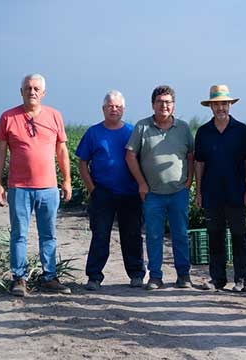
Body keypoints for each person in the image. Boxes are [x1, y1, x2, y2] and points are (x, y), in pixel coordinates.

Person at [0, 73, 72, 296]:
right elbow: (0, 151)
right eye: (28, 88)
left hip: (48, 187)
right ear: (21, 92)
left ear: (43, 93)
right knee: (19, 234)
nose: (32, 91)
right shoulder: (8, 117)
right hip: (19, 187)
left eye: (37, 88)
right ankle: (19, 279)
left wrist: (66, 180)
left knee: (49, 234)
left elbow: (62, 150)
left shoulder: (54, 116)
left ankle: (49, 277)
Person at [125, 85, 194, 290]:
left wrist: (189, 181)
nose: (164, 106)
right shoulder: (142, 127)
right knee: (154, 235)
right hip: (152, 193)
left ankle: (184, 275)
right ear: (153, 104)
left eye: (168, 102)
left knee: (180, 234)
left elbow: (191, 155)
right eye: (160, 102)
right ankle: (155, 276)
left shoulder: (183, 128)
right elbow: (130, 155)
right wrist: (142, 183)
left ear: (173, 105)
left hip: (178, 191)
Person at [75, 90, 146, 290]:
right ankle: (94, 276)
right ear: (103, 109)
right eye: (109, 106)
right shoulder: (93, 133)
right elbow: (82, 162)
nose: (113, 109)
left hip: (130, 193)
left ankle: (136, 274)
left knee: (132, 235)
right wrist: (92, 188)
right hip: (102, 193)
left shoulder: (133, 132)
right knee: (100, 234)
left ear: (123, 109)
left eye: (117, 106)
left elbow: (142, 160)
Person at [194, 85, 246, 292]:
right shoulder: (203, 132)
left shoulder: (241, 130)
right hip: (212, 193)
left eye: (224, 103)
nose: (221, 107)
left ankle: (242, 277)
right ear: (210, 106)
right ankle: (217, 279)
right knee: (215, 236)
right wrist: (199, 192)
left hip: (237, 191)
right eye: (217, 104)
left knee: (239, 235)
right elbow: (199, 163)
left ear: (230, 105)